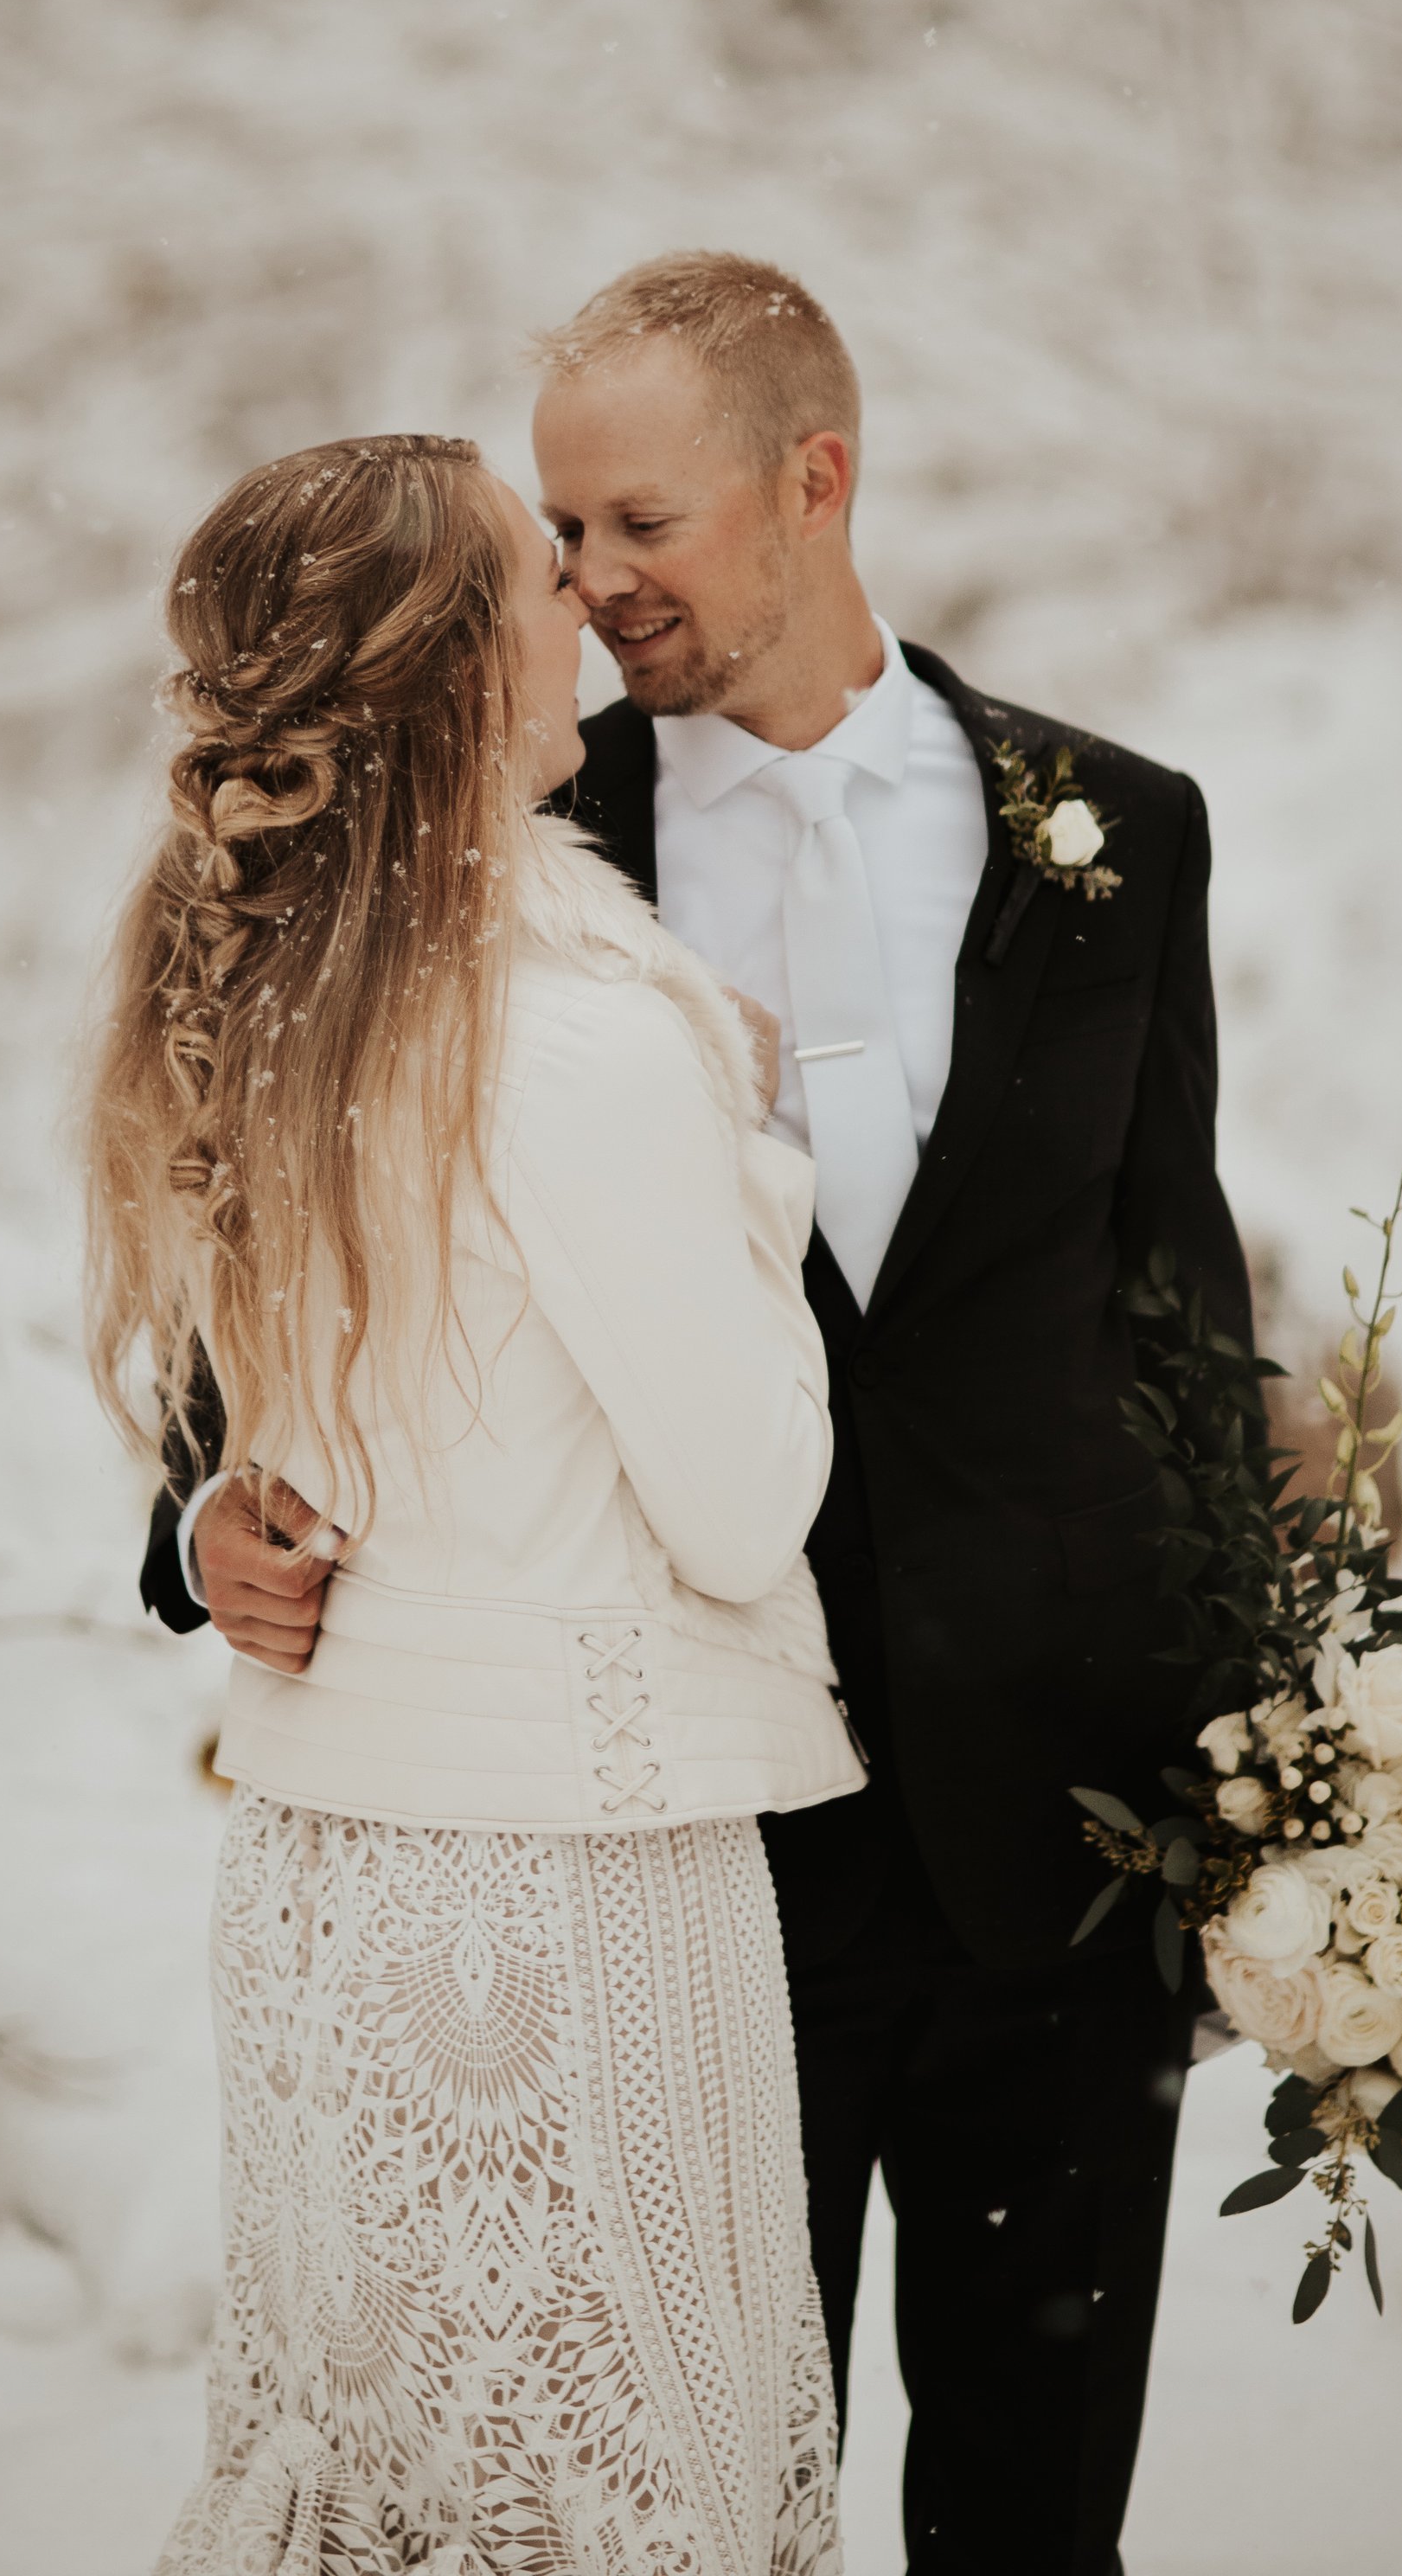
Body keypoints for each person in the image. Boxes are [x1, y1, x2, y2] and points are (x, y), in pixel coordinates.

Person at [150, 257, 1255, 2575]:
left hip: (1054, 1852)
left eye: (634, 522)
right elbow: (276, 1249)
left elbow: (1165, 1304)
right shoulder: (483, 828)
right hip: (677, 1864)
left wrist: (1260, 1760)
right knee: (681, 2503)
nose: (583, 579)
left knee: (1035, 2528)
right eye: (555, 532)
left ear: (811, 479)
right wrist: (195, 1515)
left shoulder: (1117, 830)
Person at [89, 430, 860, 2575]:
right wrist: (762, 1164)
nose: (587, 604)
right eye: (541, 579)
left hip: (331, 1867)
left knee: (391, 2491)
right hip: (557, 1890)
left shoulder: (281, 999)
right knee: (603, 2500)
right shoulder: (585, 1043)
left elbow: (303, 1424)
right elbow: (740, 1504)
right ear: (451, 677)